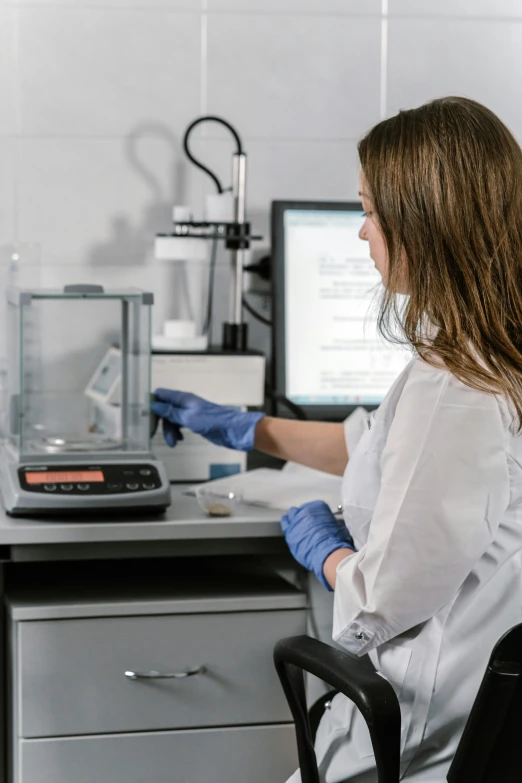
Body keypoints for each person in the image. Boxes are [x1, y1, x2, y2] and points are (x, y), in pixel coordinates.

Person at [151, 97, 522, 782]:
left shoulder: (455, 386)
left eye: (370, 212)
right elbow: (381, 449)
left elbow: (386, 595)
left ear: (422, 222)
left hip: (418, 744)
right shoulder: (491, 355)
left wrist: (329, 553)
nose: (362, 234)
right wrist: (244, 425)